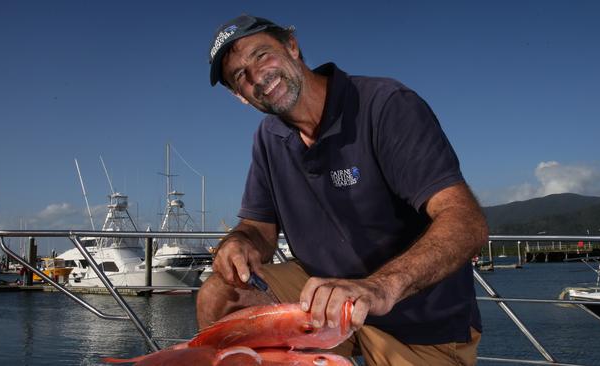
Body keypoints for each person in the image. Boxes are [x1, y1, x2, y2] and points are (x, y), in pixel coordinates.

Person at [197, 14, 488, 365]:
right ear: (239, 96)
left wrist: (378, 288)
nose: (258, 76)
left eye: (261, 55)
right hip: (321, 300)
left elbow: (466, 220)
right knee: (220, 294)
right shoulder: (268, 138)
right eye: (240, 76)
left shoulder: (384, 104)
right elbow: (258, 228)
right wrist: (239, 242)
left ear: (292, 46)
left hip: (418, 317)